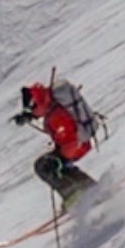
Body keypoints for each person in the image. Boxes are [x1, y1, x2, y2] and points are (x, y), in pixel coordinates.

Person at [11, 78, 107, 212]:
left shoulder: (56, 116)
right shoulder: (52, 103)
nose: (32, 112)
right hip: (77, 144)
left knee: (44, 166)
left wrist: (61, 157)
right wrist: (28, 116)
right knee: (59, 165)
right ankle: (90, 188)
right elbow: (39, 110)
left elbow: (71, 141)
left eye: (31, 108)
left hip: (76, 146)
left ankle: (73, 194)